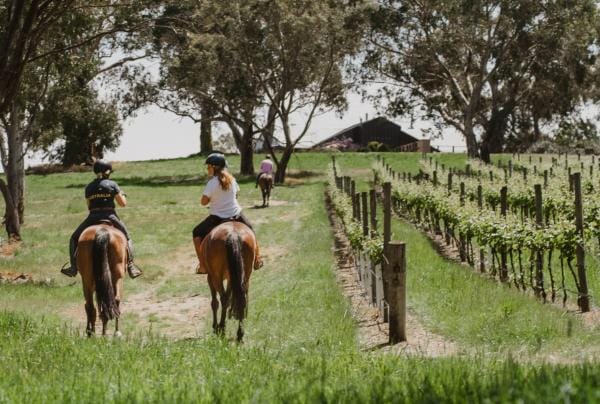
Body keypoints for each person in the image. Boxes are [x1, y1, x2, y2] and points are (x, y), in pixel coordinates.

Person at [60, 160, 143, 279]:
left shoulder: (88, 187)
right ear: (107, 172)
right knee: (127, 237)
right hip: (110, 216)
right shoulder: (112, 184)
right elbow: (123, 204)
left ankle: (73, 268)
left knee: (73, 238)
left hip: (93, 216)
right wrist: (122, 194)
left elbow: (89, 205)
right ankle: (131, 266)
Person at [193, 153, 263, 274]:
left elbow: (203, 202)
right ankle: (257, 259)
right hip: (236, 214)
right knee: (250, 230)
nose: (207, 169)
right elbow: (237, 194)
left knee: (196, 233)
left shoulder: (212, 183)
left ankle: (203, 265)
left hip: (217, 217)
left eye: (208, 166)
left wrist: (213, 199)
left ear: (214, 167)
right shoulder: (232, 179)